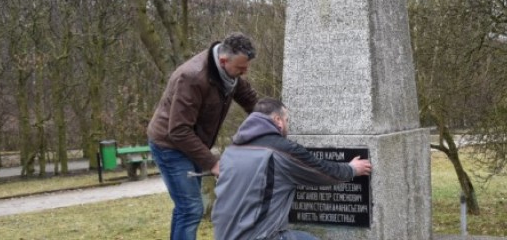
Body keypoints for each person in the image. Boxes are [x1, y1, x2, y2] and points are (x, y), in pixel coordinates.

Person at [147, 32, 259, 240]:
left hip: (193, 144)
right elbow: (178, 130)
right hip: (170, 146)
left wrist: (271, 117)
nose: (245, 72)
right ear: (224, 60)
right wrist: (212, 163)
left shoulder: (228, 75)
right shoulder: (192, 77)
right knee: (190, 209)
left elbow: (249, 98)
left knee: (186, 208)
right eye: (241, 68)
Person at [212, 98, 372, 240]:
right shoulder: (281, 150)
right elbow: (322, 171)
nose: (288, 125)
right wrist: (351, 169)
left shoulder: (231, 150)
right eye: (287, 119)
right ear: (278, 121)